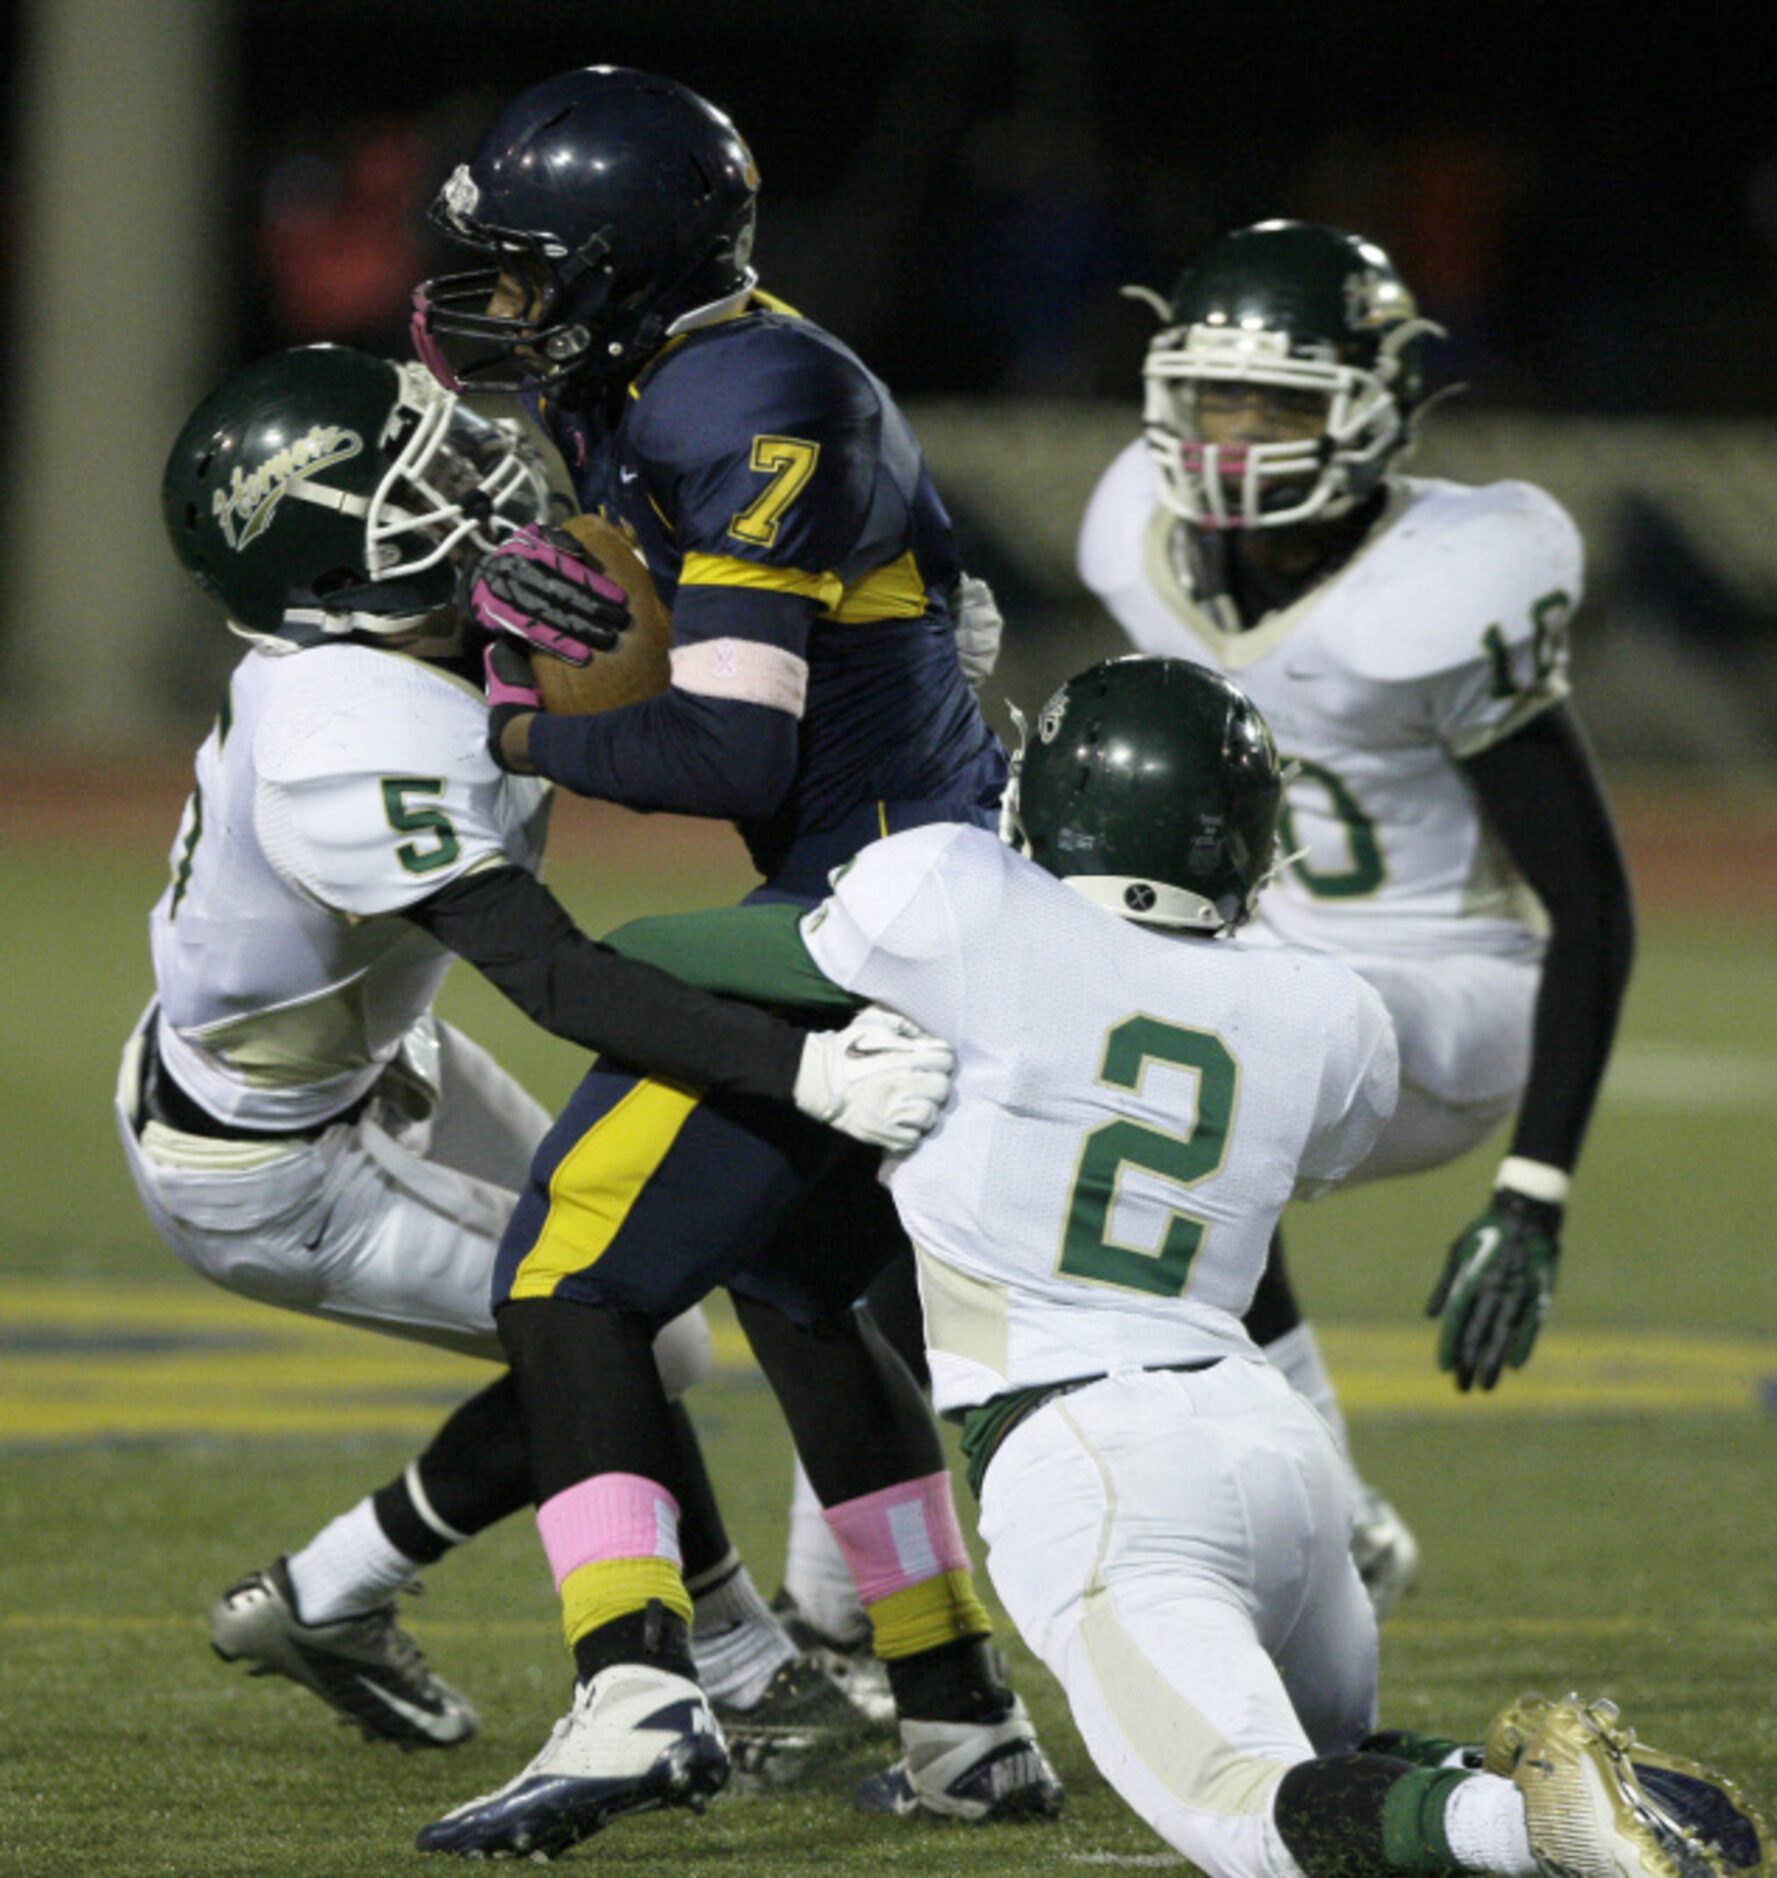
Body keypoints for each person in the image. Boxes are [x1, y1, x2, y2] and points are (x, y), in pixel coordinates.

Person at [610, 653, 1761, 1878]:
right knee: (1340, 1773)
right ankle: (1536, 1790)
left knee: (1249, 1818)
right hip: (1278, 1453)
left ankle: (1535, 1823)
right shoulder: (1325, 1010)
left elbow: (669, 949)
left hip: (1089, 1462)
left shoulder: (954, 899)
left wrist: (838, 1044)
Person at [406, 68, 1060, 1859]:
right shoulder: (688, 371)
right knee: (797, 1284)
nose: (501, 309)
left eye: (528, 275)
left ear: (622, 265)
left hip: (882, 902)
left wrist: (516, 731)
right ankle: (956, 1716)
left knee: (570, 1276)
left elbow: (725, 757)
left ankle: (633, 1687)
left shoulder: (747, 396)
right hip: (898, 882)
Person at [130, 342, 952, 1759]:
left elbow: (692, 713)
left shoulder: (404, 639)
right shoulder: (346, 729)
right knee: (638, 1326)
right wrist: (803, 1072)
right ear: (341, 573)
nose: (479, 481)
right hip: (269, 1162)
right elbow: (561, 976)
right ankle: (346, 1588)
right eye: (423, 483)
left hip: (375, 1067)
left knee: (615, 1298)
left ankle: (731, 1660)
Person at [1076, 219, 1637, 1615]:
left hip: (1444, 994)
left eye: (1278, 402)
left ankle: (1317, 1501)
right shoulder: (1135, 541)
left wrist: (1535, 1190)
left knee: (1199, 1068)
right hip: (1267, 975)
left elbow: (1594, 905)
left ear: (1374, 406)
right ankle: (1331, 1513)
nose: (1233, 436)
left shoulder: (1447, 581)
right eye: (1214, 398)